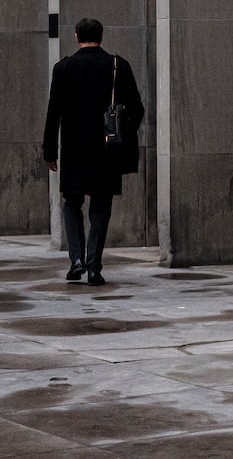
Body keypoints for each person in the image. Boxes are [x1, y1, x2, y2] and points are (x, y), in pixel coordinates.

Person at [42, 18, 144, 286]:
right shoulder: (118, 66)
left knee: (71, 202)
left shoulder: (63, 68)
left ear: (76, 36)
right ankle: (94, 267)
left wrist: (49, 151)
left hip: (74, 148)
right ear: (101, 36)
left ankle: (77, 259)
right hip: (107, 149)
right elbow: (137, 109)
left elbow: (53, 113)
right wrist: (123, 132)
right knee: (101, 205)